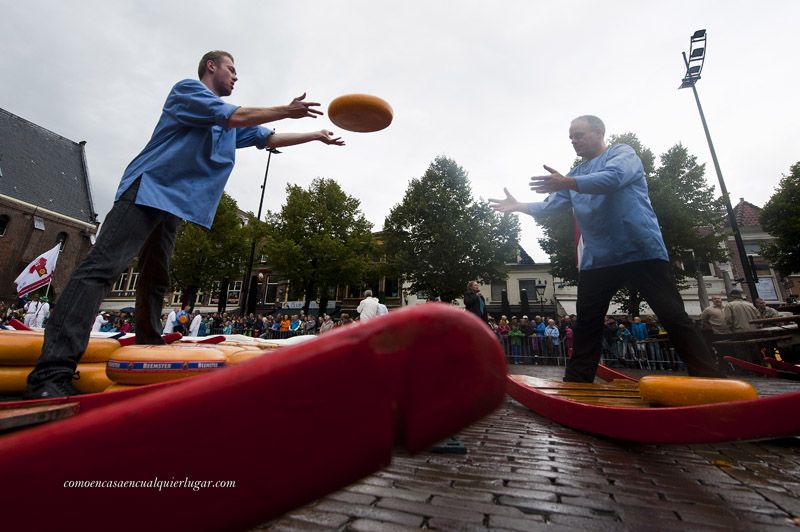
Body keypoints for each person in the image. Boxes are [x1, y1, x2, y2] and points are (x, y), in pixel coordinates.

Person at [24, 50, 344, 399]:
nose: (235, 76)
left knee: (155, 278)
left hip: (173, 205)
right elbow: (236, 116)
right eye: (231, 69)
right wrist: (286, 109)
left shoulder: (227, 127)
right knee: (103, 268)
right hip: (147, 189)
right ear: (211, 67)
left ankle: (147, 350)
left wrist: (315, 135)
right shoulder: (188, 92)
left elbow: (267, 138)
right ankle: (51, 373)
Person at [489, 114, 723, 382]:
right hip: (598, 260)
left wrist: (568, 182)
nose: (574, 141)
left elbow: (612, 179)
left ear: (599, 132)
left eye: (579, 135)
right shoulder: (575, 174)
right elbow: (551, 206)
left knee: (672, 316)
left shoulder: (623, 153)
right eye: (570, 137)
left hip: (640, 251)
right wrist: (519, 206)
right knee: (586, 324)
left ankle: (709, 377)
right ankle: (578, 381)